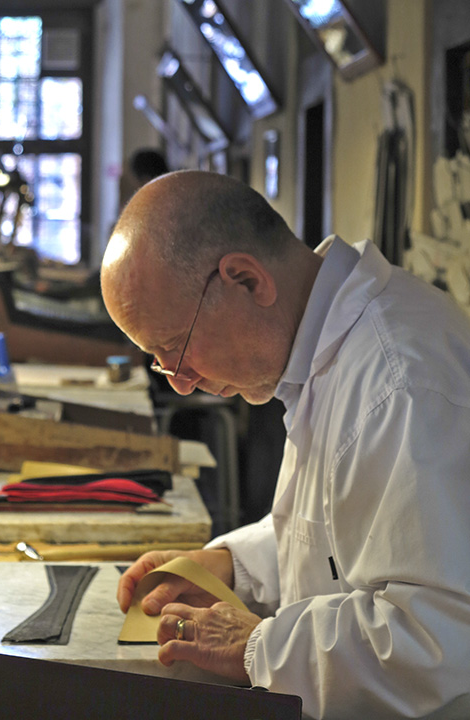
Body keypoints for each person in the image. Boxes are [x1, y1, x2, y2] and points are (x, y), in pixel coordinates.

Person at [100, 170, 470, 720]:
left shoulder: (400, 379)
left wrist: (259, 646)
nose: (179, 381)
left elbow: (437, 642)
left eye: (176, 348)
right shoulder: (329, 349)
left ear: (246, 280)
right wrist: (231, 566)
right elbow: (343, 535)